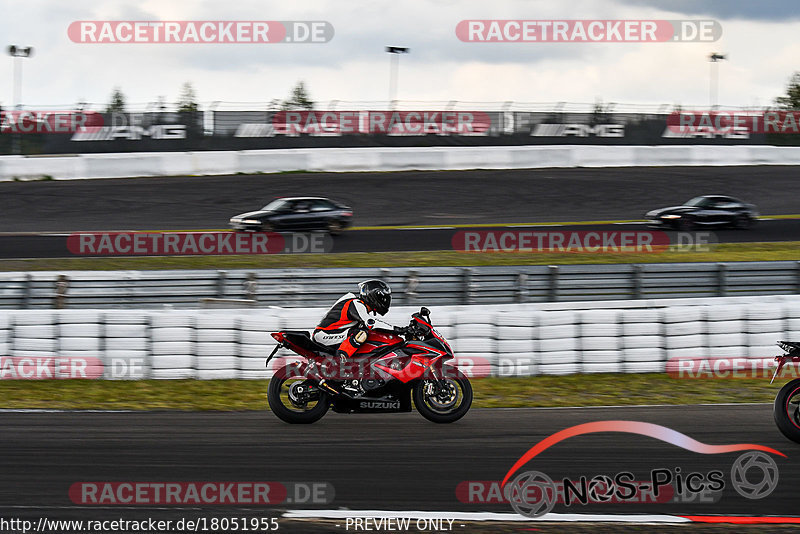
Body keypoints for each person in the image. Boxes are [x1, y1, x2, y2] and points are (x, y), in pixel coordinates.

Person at [312, 279, 393, 394]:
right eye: (383, 297)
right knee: (361, 333)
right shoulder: (356, 303)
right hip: (324, 335)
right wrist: (399, 330)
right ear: (373, 296)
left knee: (367, 334)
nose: (385, 300)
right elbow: (371, 323)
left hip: (333, 334)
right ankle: (339, 366)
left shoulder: (360, 306)